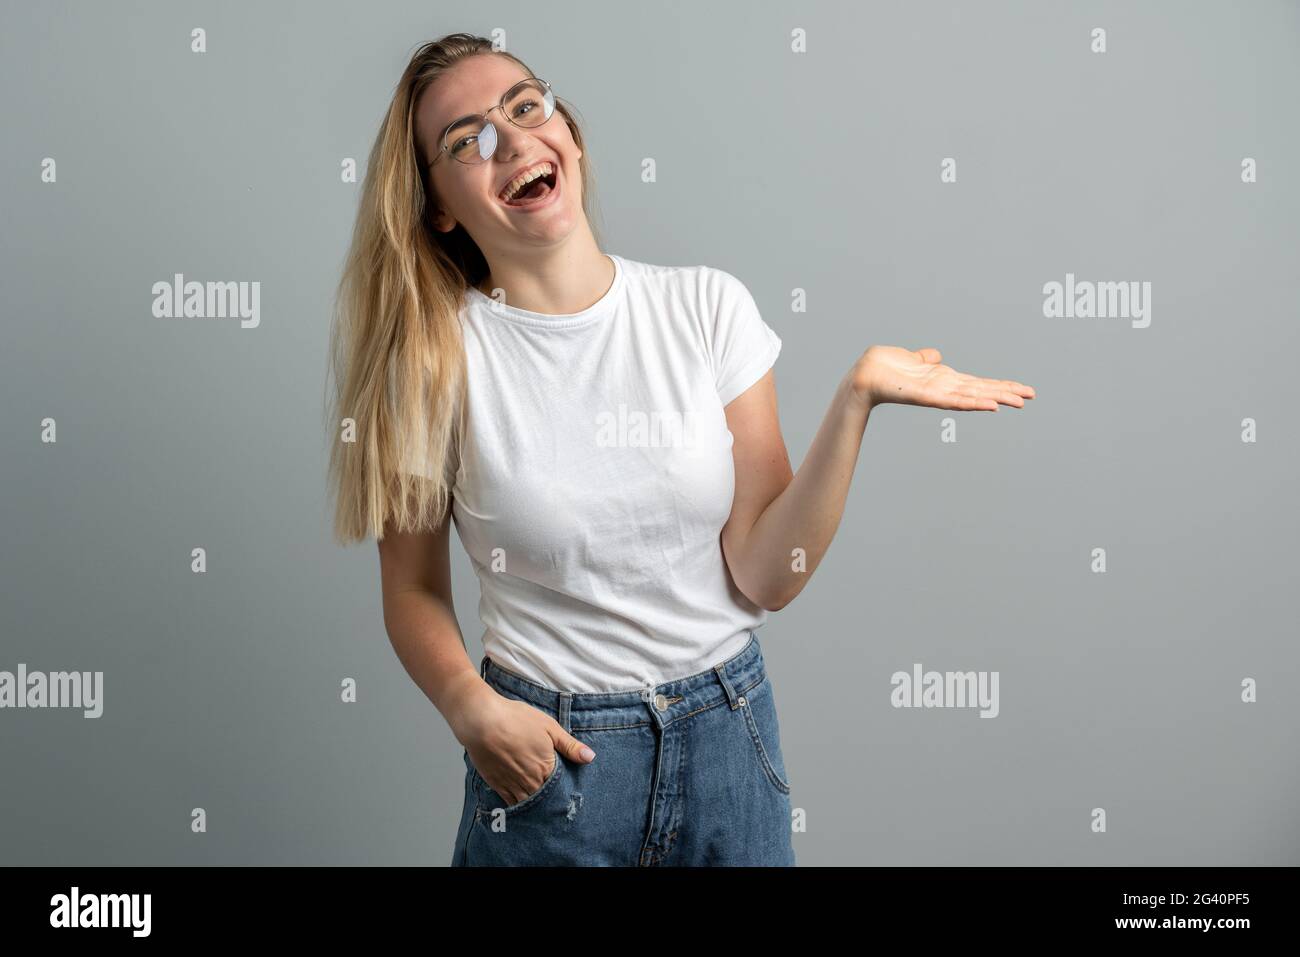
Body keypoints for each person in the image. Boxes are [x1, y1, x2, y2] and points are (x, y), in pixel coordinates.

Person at [325, 33, 1035, 866]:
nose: (513, 140)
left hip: (729, 742)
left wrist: (856, 402)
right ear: (439, 205)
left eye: (525, 107)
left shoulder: (707, 308)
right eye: (467, 140)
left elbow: (767, 573)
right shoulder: (433, 361)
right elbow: (410, 589)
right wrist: (470, 708)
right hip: (555, 766)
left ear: (568, 135)